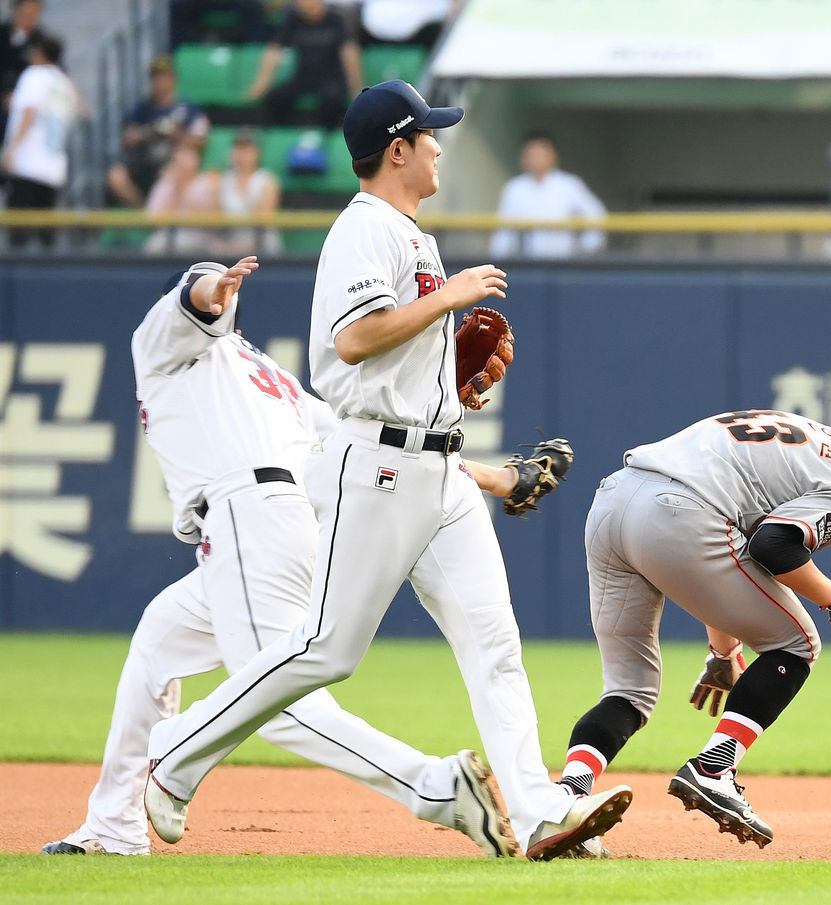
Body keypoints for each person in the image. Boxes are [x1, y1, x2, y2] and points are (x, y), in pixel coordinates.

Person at [144, 80, 632, 863]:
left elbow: (393, 354)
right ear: (396, 149)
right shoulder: (364, 229)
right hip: (374, 464)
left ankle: (541, 813)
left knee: (494, 643)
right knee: (326, 647)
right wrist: (451, 303)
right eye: (429, 134)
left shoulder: (407, 232)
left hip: (436, 465)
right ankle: (175, 753)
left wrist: (454, 381)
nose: (440, 144)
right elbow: (353, 341)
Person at [42, 256, 522, 857]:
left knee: (278, 708)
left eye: (224, 291)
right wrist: (495, 478)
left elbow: (196, 301)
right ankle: (113, 827)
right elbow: (193, 303)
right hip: (277, 525)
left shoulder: (196, 354)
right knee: (158, 642)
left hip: (251, 519)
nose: (218, 297)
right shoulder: (223, 360)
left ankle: (437, 788)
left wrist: (205, 288)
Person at [555, 407, 831, 850]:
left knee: (629, 690)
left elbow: (733, 527)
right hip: (680, 513)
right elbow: (773, 544)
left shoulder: (816, 442)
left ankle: (567, 802)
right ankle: (715, 769)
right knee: (798, 644)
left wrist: (723, 653)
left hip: (614, 501)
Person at [1, 32, 75, 248]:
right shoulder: (64, 82)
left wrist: (11, 150)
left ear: (41, 54)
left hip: (28, 164)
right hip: (53, 167)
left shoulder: (34, 74)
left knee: (19, 238)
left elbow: (30, 112)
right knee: (46, 239)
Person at [106, 55, 210, 209]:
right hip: (144, 160)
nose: (161, 81)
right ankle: (145, 213)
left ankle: (159, 213)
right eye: (157, 77)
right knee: (115, 176)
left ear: (173, 79)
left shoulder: (188, 108)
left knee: (183, 161)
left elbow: (200, 140)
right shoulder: (142, 109)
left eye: (165, 77)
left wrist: (175, 133)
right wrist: (148, 132)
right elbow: (127, 138)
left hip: (171, 162)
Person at [489, 131, 607, 260]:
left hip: (566, 262)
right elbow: (504, 233)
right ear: (523, 158)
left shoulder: (570, 185)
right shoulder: (515, 188)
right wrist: (498, 262)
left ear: (553, 156)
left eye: (541, 154)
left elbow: (597, 215)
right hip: (529, 263)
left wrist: (584, 251)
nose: (536, 159)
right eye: (531, 154)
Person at [246, 0, 362, 130]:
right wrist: (261, 84)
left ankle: (327, 135)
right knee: (275, 97)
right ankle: (284, 134)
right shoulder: (293, 19)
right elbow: (274, 50)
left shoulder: (336, 19)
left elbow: (349, 53)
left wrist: (355, 88)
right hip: (303, 77)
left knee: (332, 100)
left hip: (331, 79)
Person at [211, 126, 283, 256]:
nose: (242, 153)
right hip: (231, 245)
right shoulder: (224, 180)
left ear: (256, 152)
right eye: (238, 148)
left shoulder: (266, 179)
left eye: (247, 149)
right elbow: (216, 220)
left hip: (261, 247)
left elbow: (263, 218)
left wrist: (243, 192)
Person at [142, 141, 219, 255]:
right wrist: (175, 189)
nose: (183, 162)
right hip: (166, 236)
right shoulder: (166, 183)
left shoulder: (206, 182)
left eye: (188, 156)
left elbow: (213, 221)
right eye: (180, 156)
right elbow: (152, 220)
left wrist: (182, 191)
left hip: (200, 238)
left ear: (197, 159)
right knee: (153, 246)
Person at [0, 0, 45, 139]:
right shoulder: (2, 34)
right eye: (26, 13)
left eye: (34, 13)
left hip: (24, 110)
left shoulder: (41, 41)